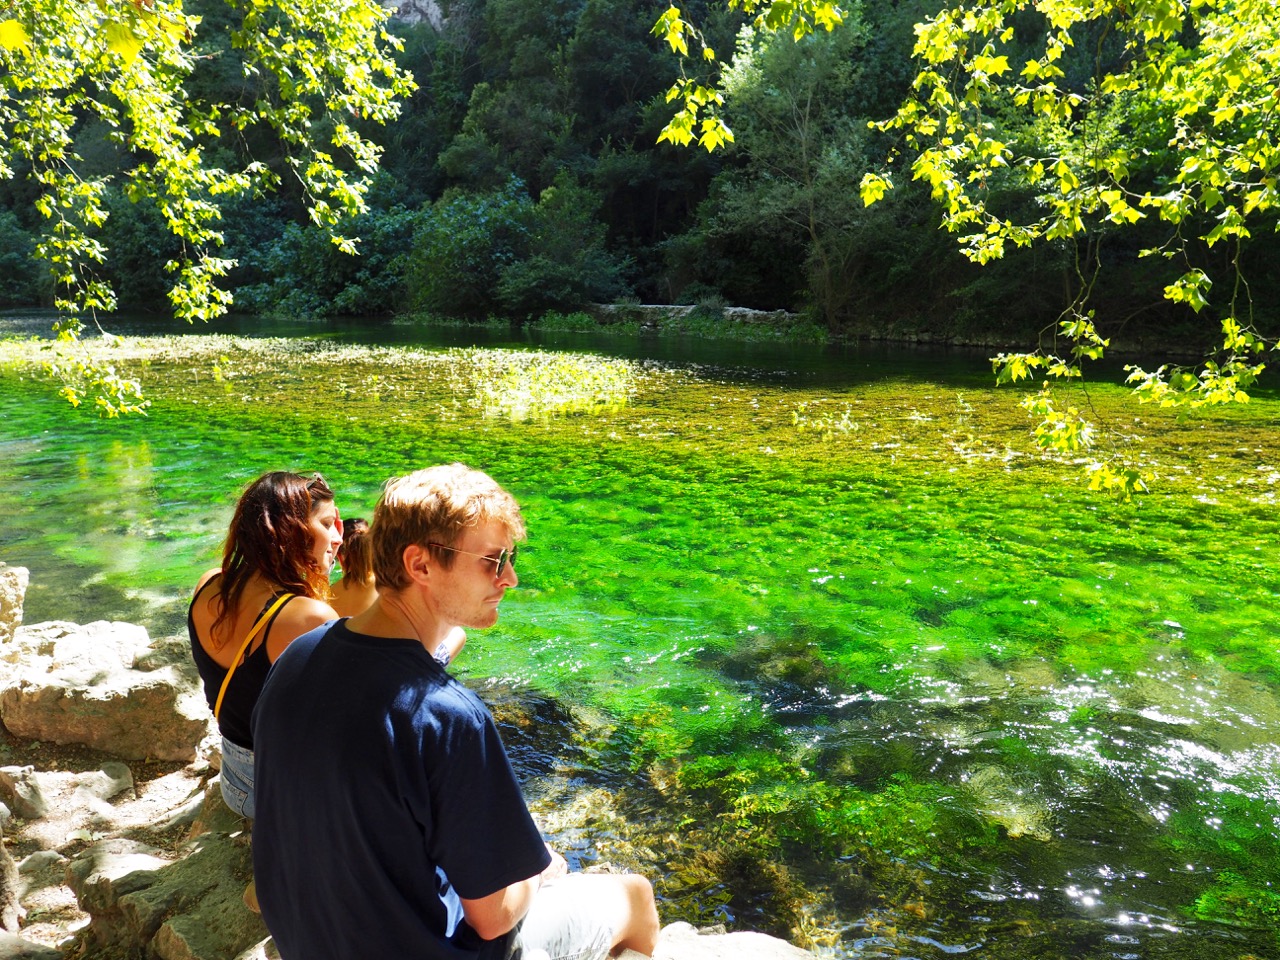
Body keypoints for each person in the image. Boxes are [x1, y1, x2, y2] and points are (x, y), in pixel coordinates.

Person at [251, 463, 660, 960]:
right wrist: (536, 871)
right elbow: (493, 919)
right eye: (492, 560)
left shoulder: (298, 656)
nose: (509, 578)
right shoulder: (446, 716)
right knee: (633, 894)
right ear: (420, 565)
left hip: (310, 944)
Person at [188, 470, 342, 820]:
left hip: (236, 781)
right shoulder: (309, 617)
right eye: (328, 524)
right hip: (284, 795)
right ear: (291, 532)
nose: (337, 538)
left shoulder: (209, 583)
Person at [331, 516, 467, 663]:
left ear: (340, 556)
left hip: (354, 664)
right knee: (457, 633)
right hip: (400, 665)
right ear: (376, 548)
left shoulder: (330, 593)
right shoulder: (387, 582)